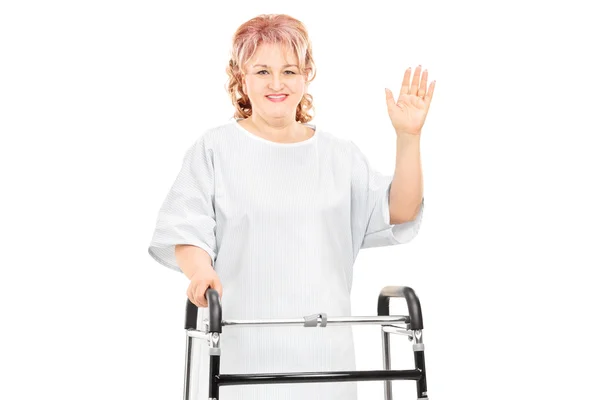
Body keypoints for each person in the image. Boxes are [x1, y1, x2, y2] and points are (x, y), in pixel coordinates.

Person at [147, 13, 434, 400]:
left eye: (289, 71)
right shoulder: (215, 149)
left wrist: (408, 137)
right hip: (241, 359)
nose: (277, 84)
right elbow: (187, 229)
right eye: (262, 71)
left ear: (307, 74)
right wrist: (200, 274)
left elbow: (400, 210)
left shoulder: (338, 155)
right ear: (241, 76)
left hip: (326, 361)